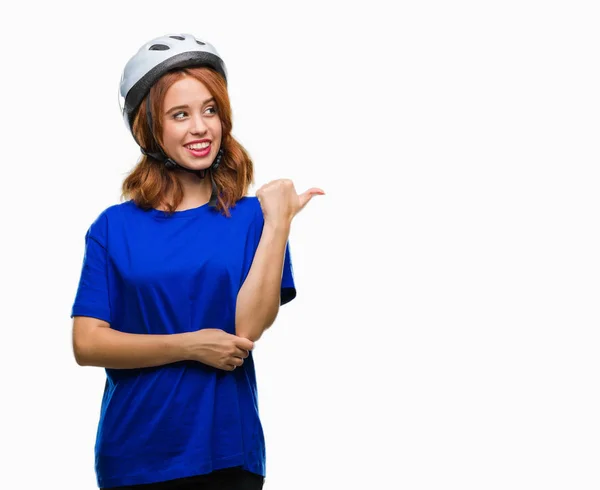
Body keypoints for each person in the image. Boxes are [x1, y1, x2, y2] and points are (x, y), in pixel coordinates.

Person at [70, 33, 324, 490]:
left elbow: (247, 329)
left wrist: (279, 222)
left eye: (210, 110)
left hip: (226, 452)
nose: (200, 127)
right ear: (151, 129)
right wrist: (188, 345)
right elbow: (87, 344)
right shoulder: (113, 227)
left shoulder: (254, 219)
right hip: (134, 454)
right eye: (180, 115)